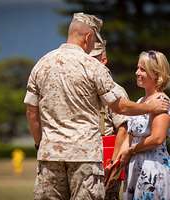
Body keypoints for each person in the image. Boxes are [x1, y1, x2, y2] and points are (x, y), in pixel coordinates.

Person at [24, 11, 169, 200]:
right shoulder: (93, 66)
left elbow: (31, 112)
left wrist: (40, 144)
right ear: (88, 37)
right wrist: (151, 107)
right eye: (94, 42)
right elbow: (120, 107)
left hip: (49, 155)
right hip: (85, 158)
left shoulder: (41, 64)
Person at [117, 50, 170, 200]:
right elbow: (130, 134)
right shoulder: (141, 101)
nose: (137, 72)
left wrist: (132, 150)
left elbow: (158, 138)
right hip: (135, 167)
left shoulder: (161, 100)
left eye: (142, 69)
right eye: (137, 68)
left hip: (152, 169)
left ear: (156, 74)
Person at [90, 41, 128, 200]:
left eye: (92, 58)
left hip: (106, 157)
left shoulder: (116, 90)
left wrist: (113, 164)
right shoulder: (84, 89)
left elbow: (123, 129)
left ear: (103, 60)